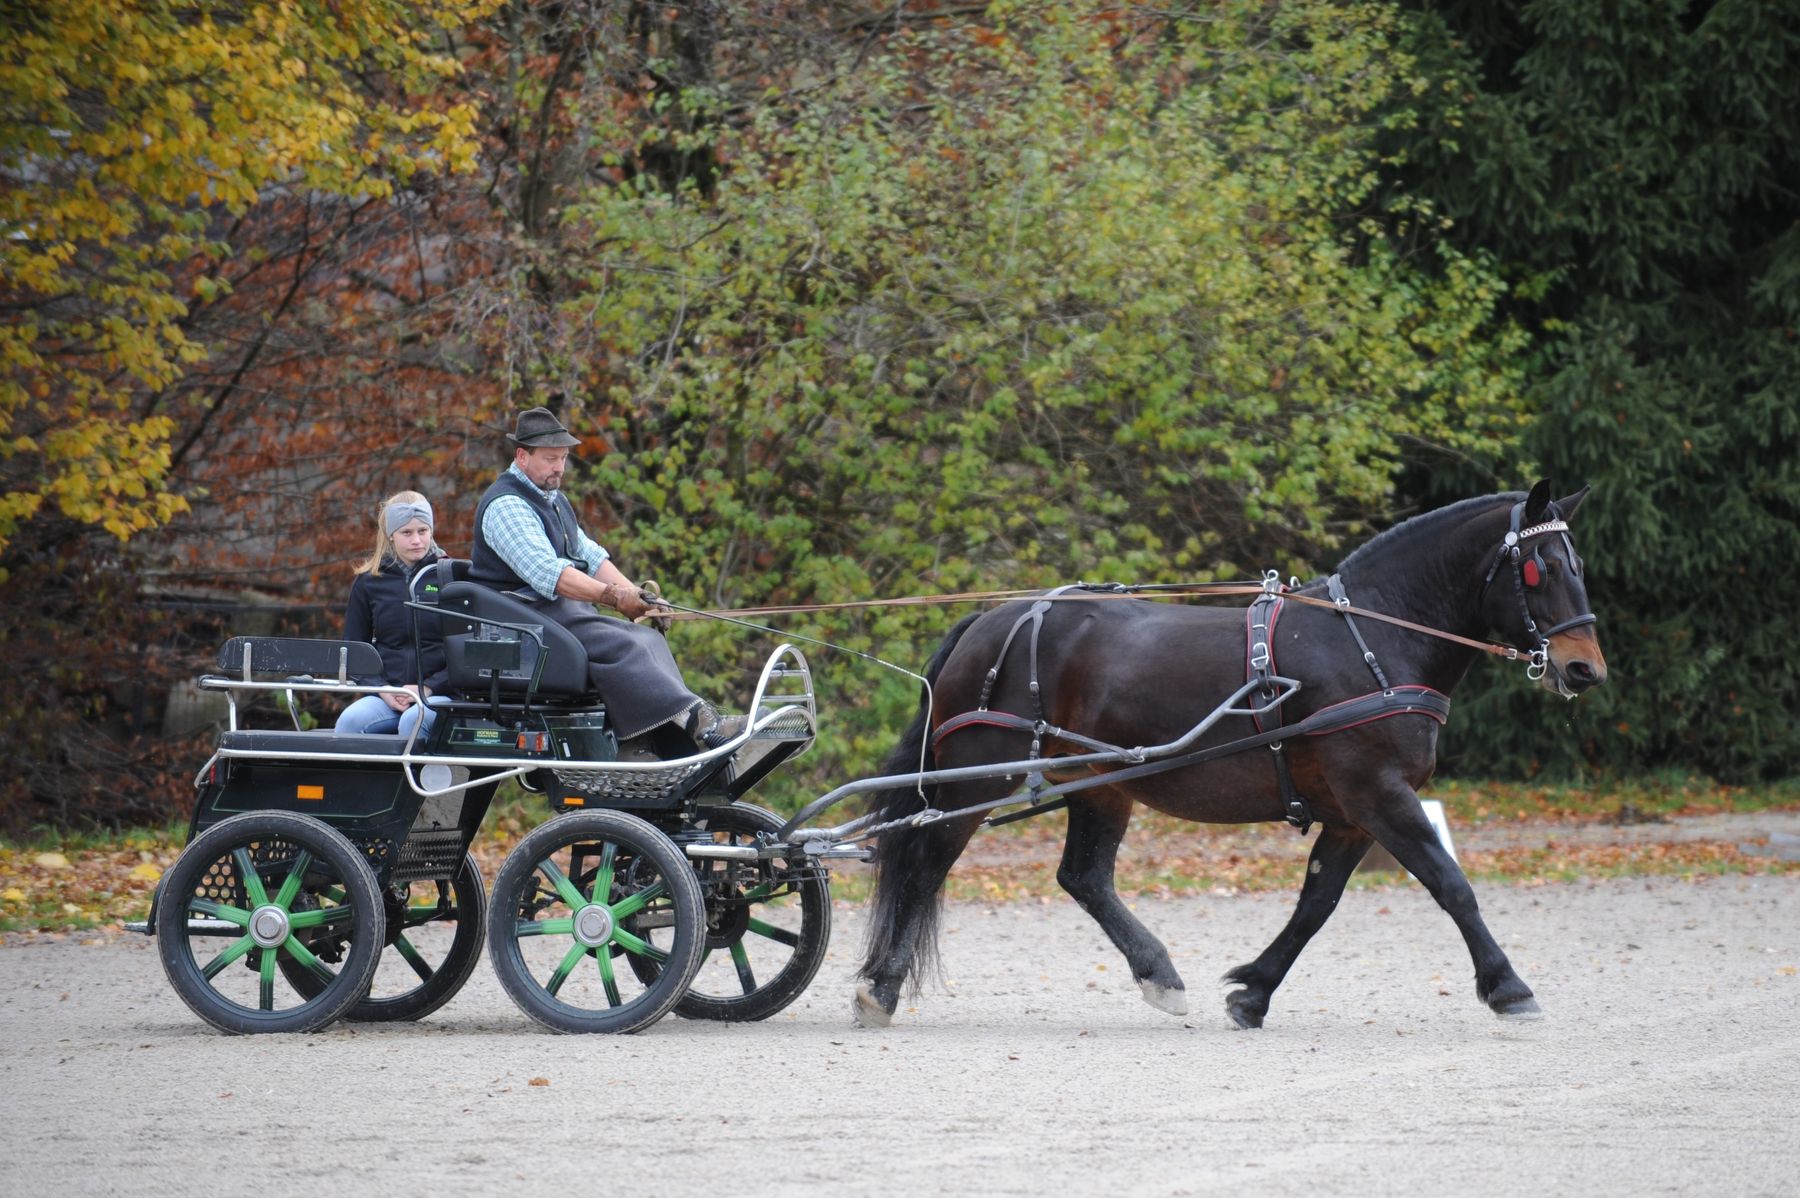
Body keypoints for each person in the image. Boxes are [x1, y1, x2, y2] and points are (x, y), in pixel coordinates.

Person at [468, 406, 741, 756]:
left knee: (646, 639)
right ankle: (698, 724)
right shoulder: (506, 504)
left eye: (563, 458)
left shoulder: (553, 500)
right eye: (551, 459)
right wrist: (615, 598)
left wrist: (640, 597)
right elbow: (548, 574)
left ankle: (650, 741)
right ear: (522, 456)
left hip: (552, 615)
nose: (559, 468)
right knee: (623, 645)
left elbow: (591, 556)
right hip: (521, 622)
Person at [334, 490, 448, 739]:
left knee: (412, 721)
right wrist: (381, 688)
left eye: (423, 531)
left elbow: (470, 651)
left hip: (439, 694)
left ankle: (414, 780)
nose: (417, 540)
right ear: (391, 536)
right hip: (387, 694)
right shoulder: (368, 583)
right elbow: (354, 650)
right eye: (407, 533)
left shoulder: (450, 578)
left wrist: (427, 687)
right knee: (349, 721)